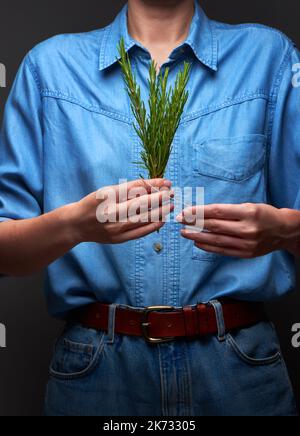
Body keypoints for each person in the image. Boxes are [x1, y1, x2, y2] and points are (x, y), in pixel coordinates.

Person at [0, 0, 299, 416]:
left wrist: (285, 231)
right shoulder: (49, 68)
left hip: (237, 370)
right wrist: (76, 225)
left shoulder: (269, 58)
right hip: (97, 372)